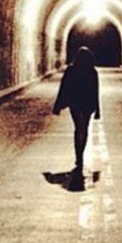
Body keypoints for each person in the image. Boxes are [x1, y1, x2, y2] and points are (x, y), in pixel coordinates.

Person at [52, 47, 101, 182]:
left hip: (75, 103)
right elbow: (95, 91)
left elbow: (64, 88)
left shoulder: (71, 70)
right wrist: (98, 110)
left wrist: (58, 105)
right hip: (88, 104)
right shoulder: (92, 71)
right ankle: (81, 153)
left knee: (78, 128)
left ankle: (78, 156)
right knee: (84, 128)